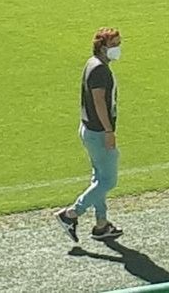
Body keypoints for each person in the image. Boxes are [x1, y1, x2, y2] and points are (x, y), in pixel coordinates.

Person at [55, 28, 125, 244]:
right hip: (98, 132)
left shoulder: (93, 64)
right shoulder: (100, 70)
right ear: (103, 47)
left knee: (99, 178)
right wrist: (108, 131)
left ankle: (102, 225)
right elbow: (99, 102)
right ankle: (71, 214)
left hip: (90, 130)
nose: (118, 48)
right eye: (115, 44)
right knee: (108, 181)